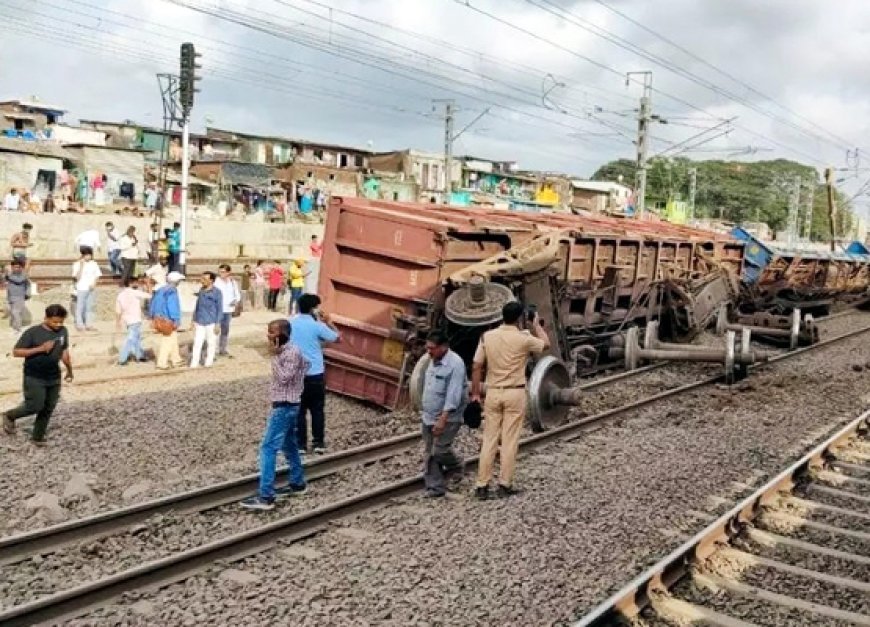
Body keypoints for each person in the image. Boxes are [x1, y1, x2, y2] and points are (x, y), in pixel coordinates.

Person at [471, 301, 549, 500]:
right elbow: (546, 344)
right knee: (509, 441)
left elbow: (476, 365)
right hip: (514, 393)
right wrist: (536, 325)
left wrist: (475, 394)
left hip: (493, 393)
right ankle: (504, 484)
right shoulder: (523, 338)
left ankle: (482, 485)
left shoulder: (487, 337)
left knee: (489, 439)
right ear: (520, 318)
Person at [240, 319, 308, 511]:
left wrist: (275, 357)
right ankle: (297, 482)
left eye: (272, 332)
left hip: (285, 407)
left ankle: (266, 496)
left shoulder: (291, 352)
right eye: (269, 331)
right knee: (290, 445)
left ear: (282, 334)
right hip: (288, 406)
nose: (268, 335)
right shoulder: (289, 351)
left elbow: (285, 378)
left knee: (268, 448)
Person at [3, 304, 74, 445]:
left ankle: (38, 437)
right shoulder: (33, 332)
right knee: (34, 406)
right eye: (55, 321)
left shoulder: (63, 331)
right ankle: (10, 415)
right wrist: (40, 349)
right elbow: (16, 352)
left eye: (61, 322)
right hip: (34, 376)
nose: (58, 325)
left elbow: (64, 352)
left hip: (54, 376)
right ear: (46, 318)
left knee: (48, 407)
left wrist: (69, 370)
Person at [420, 330, 467, 498]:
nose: (429, 351)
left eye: (432, 348)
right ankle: (435, 487)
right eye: (428, 348)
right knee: (429, 451)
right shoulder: (433, 359)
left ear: (444, 347)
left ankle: (456, 466)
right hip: (429, 415)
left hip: (447, 417)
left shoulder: (455, 365)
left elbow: (453, 395)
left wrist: (443, 419)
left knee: (439, 450)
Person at [291, 293, 340, 455]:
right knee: (317, 410)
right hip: (315, 374)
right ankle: (318, 443)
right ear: (313, 309)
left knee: (299, 411)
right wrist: (329, 322)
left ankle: (300, 446)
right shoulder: (318, 326)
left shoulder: (290, 323)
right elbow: (337, 338)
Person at [149, 271, 185, 370]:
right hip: (167, 319)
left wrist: (152, 316)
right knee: (167, 340)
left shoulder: (160, 290)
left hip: (158, 317)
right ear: (176, 281)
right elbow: (172, 306)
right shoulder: (172, 291)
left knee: (173, 338)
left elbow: (153, 303)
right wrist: (176, 319)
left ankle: (176, 359)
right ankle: (162, 363)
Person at [190, 271, 223, 368]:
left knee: (211, 342)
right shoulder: (201, 290)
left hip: (211, 321)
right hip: (200, 320)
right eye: (202, 278)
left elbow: (219, 308)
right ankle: (194, 363)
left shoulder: (217, 292)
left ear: (211, 281)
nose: (202, 281)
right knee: (197, 342)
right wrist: (193, 319)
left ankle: (209, 362)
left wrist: (218, 323)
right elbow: (197, 306)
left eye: (204, 279)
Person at [115, 277, 149, 365]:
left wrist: (118, 322)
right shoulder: (135, 292)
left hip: (127, 320)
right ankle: (122, 359)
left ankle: (140, 356)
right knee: (131, 339)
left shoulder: (120, 295)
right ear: (130, 283)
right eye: (136, 283)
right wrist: (148, 285)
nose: (137, 284)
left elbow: (118, 310)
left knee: (136, 338)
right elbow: (149, 295)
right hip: (135, 319)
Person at [72, 249, 102, 331]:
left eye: (90, 255)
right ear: (83, 255)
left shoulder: (94, 264)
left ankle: (89, 324)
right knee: (80, 307)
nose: (88, 256)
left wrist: (94, 284)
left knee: (89, 307)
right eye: (86, 255)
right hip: (81, 288)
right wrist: (81, 266)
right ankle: (80, 324)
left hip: (91, 288)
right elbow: (77, 278)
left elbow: (97, 275)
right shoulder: (76, 264)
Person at [214, 264, 240, 357]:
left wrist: (235, 301)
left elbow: (237, 294)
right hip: (217, 309)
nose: (221, 274)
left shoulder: (232, 282)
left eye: (223, 272)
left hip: (228, 310)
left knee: (225, 330)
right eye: (220, 271)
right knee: (215, 330)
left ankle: (223, 349)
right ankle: (213, 350)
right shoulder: (215, 282)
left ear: (228, 272)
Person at [5, 259, 31, 333]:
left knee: (16, 312)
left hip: (19, 297)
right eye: (15, 267)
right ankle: (14, 327)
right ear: (12, 267)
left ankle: (18, 329)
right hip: (10, 297)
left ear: (21, 268)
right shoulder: (11, 274)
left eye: (18, 267)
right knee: (12, 313)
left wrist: (8, 277)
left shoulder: (23, 274)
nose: (17, 268)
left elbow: (19, 281)